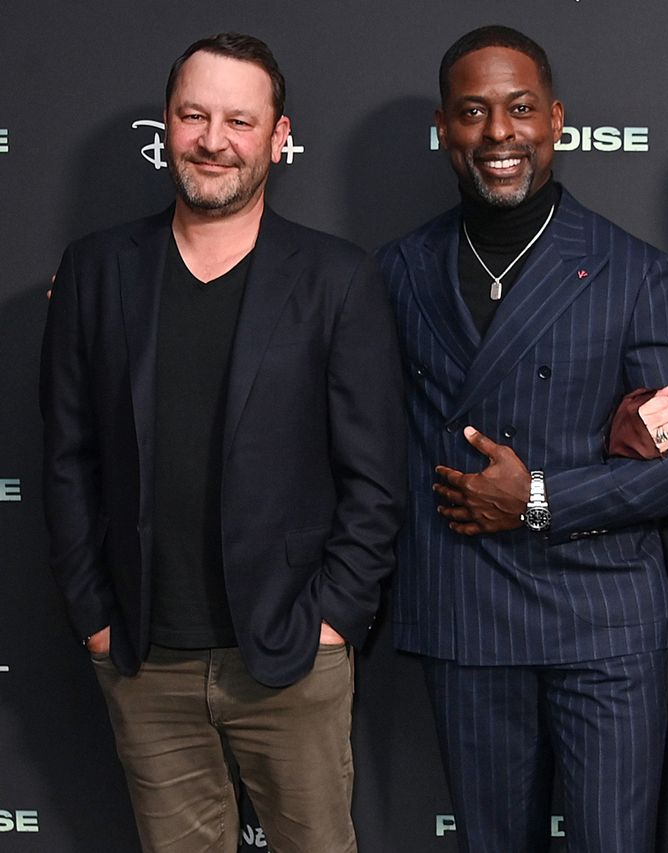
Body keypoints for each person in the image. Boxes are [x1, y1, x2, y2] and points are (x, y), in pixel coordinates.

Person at [40, 33, 405, 853]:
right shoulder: (97, 270)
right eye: (194, 116)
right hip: (143, 655)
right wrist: (94, 616)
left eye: (239, 120)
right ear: (166, 124)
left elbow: (376, 475)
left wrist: (335, 619)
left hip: (293, 655)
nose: (213, 140)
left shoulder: (337, 278)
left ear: (278, 136)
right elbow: (66, 459)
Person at [376, 24, 668, 853]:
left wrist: (539, 497)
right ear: (444, 128)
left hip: (603, 621)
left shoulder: (631, 270)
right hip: (465, 612)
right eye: (473, 112)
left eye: (520, 108)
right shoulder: (398, 270)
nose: (499, 132)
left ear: (556, 121)